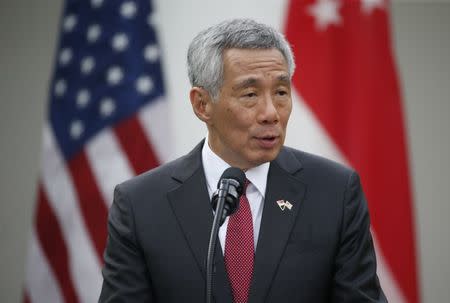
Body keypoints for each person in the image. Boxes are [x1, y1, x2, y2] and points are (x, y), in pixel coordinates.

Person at [99, 19, 387, 303]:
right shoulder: (140, 204)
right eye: (250, 94)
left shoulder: (334, 192)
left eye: (281, 92)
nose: (271, 112)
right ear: (202, 104)